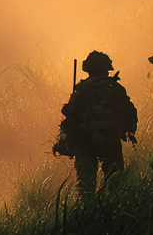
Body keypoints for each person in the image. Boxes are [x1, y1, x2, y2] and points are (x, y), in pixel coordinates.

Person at [53, 51, 138, 195]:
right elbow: (131, 112)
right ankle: (112, 211)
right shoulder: (115, 88)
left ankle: (86, 211)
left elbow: (69, 112)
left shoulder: (82, 89)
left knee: (85, 184)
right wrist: (129, 131)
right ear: (107, 69)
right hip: (110, 139)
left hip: (86, 140)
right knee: (115, 181)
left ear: (88, 69)